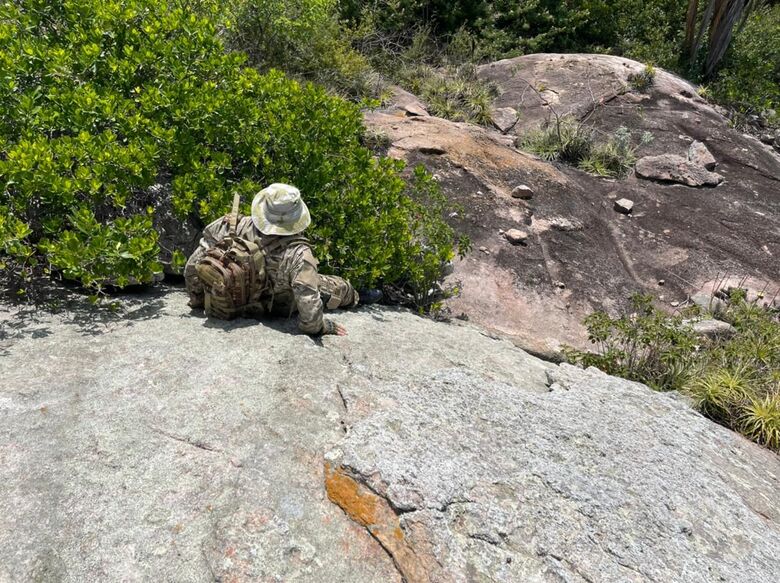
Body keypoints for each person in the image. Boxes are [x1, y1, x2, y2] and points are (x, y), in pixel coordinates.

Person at [185, 183, 379, 335]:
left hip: (228, 300)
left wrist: (199, 299)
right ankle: (356, 296)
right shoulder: (300, 255)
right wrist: (322, 327)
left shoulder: (231, 226)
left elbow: (192, 267)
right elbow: (310, 319)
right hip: (272, 308)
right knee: (337, 287)